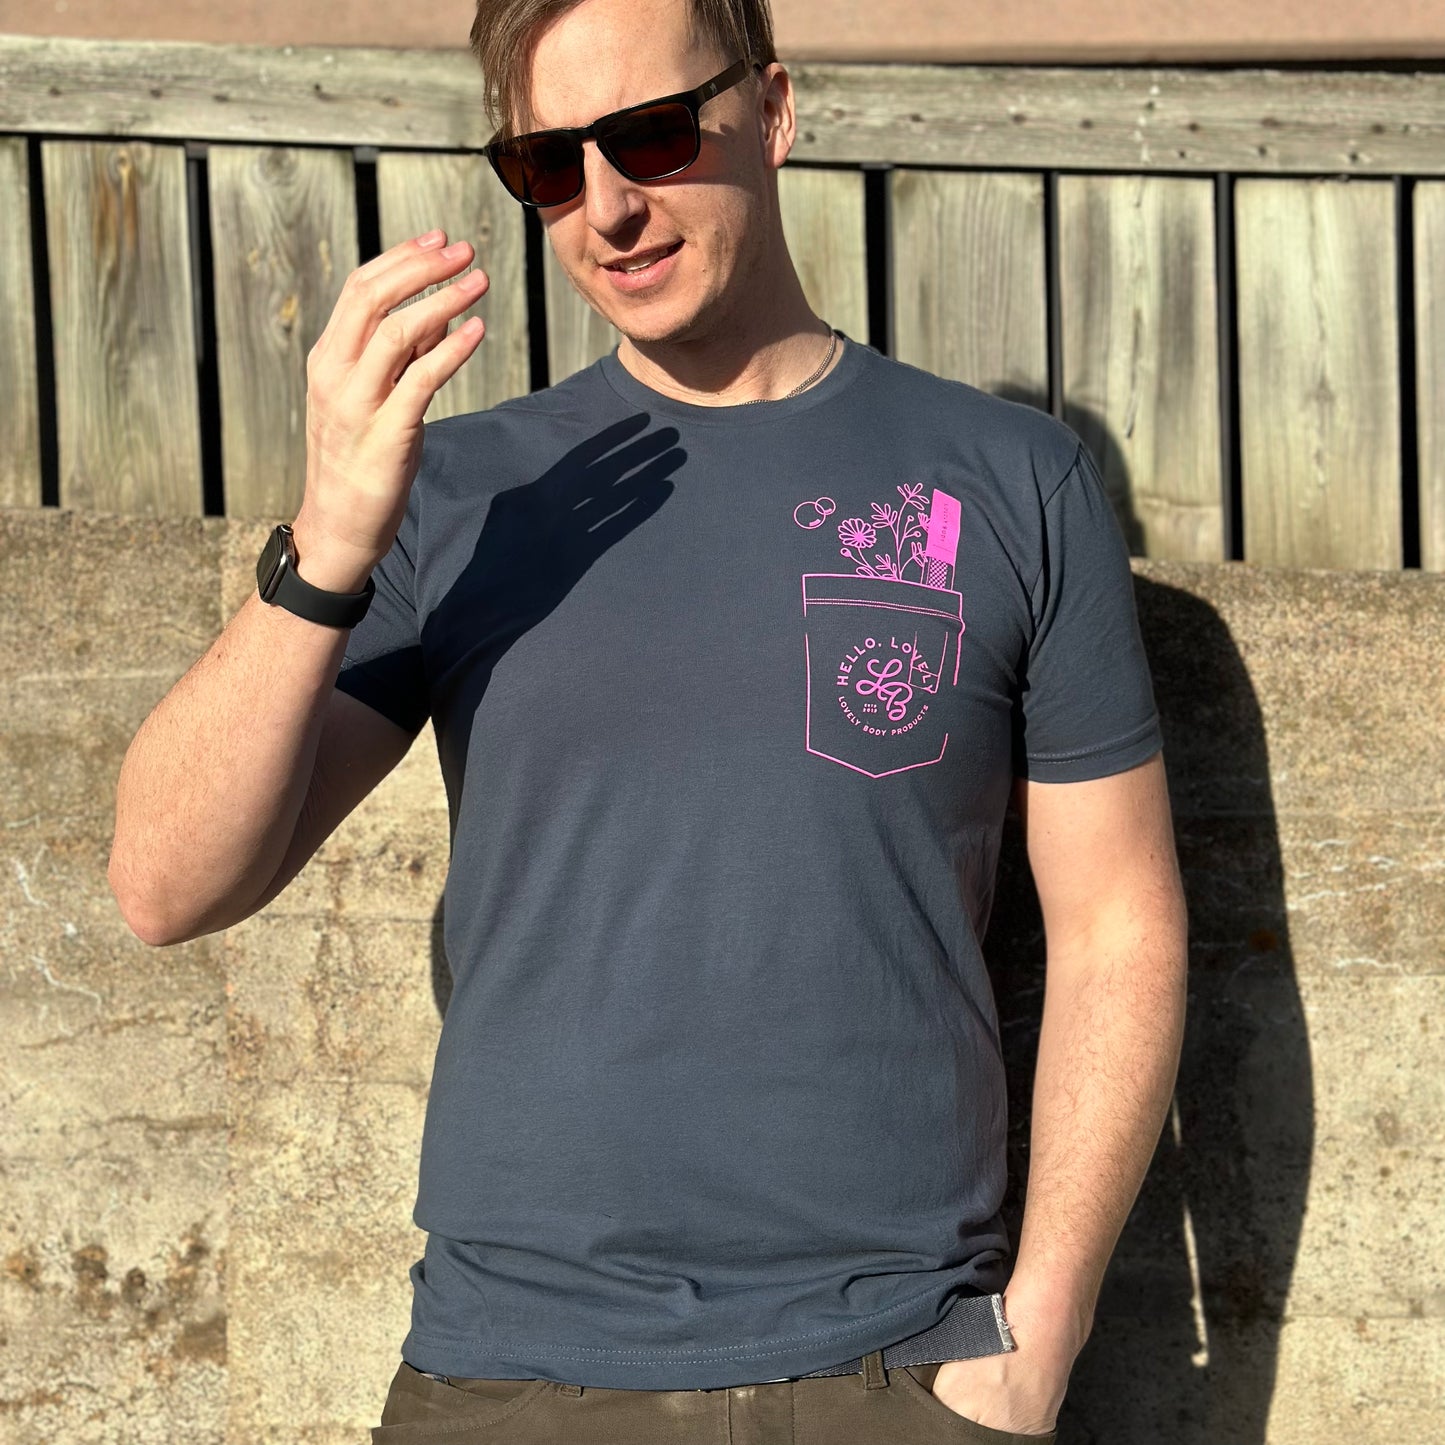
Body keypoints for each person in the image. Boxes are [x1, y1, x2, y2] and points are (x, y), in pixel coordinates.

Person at [109, 0, 1188, 1437]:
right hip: (512, 1376)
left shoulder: (1005, 481)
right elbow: (165, 884)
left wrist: (1035, 1335)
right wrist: (327, 539)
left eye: (653, 136)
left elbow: (1120, 921)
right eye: (548, 165)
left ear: (775, 111)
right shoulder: (462, 495)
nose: (608, 207)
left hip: (894, 1369)